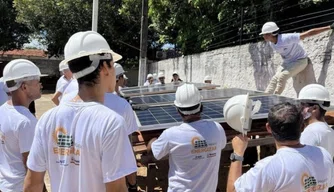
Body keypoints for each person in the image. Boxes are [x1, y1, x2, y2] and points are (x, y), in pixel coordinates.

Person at [23, 31, 137, 192]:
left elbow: (31, 185)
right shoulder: (111, 122)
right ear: (105, 67)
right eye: (113, 65)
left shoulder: (47, 119)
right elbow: (116, 188)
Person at [227, 102, 334, 192]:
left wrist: (237, 154)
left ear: (268, 128)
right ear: (302, 126)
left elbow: (233, 190)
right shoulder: (324, 155)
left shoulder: (268, 167)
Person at [147, 83, 227, 192]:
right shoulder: (217, 129)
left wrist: (153, 141)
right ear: (201, 106)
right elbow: (221, 145)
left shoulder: (170, 135)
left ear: (178, 110)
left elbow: (153, 152)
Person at [0, 59, 44, 192]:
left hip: (5, 185)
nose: (41, 85)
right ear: (24, 87)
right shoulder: (26, 122)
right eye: (37, 82)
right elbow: (32, 169)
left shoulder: (2, 110)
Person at [261, 21, 334, 95]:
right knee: (274, 79)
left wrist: (329, 27)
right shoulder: (271, 43)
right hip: (287, 63)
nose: (264, 36)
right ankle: (265, 97)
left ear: (273, 33)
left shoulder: (286, 38)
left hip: (300, 61)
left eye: (266, 34)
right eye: (263, 34)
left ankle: (275, 96)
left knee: (282, 77)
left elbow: (308, 33)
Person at [104, 63, 139, 192]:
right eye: (123, 76)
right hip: (117, 167)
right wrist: (133, 184)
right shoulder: (122, 105)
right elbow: (128, 148)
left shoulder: (88, 101)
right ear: (117, 78)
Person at [299, 84, 334, 157]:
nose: (300, 109)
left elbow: (303, 162)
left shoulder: (310, 133)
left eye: (302, 105)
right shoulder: (329, 130)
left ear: (314, 108)